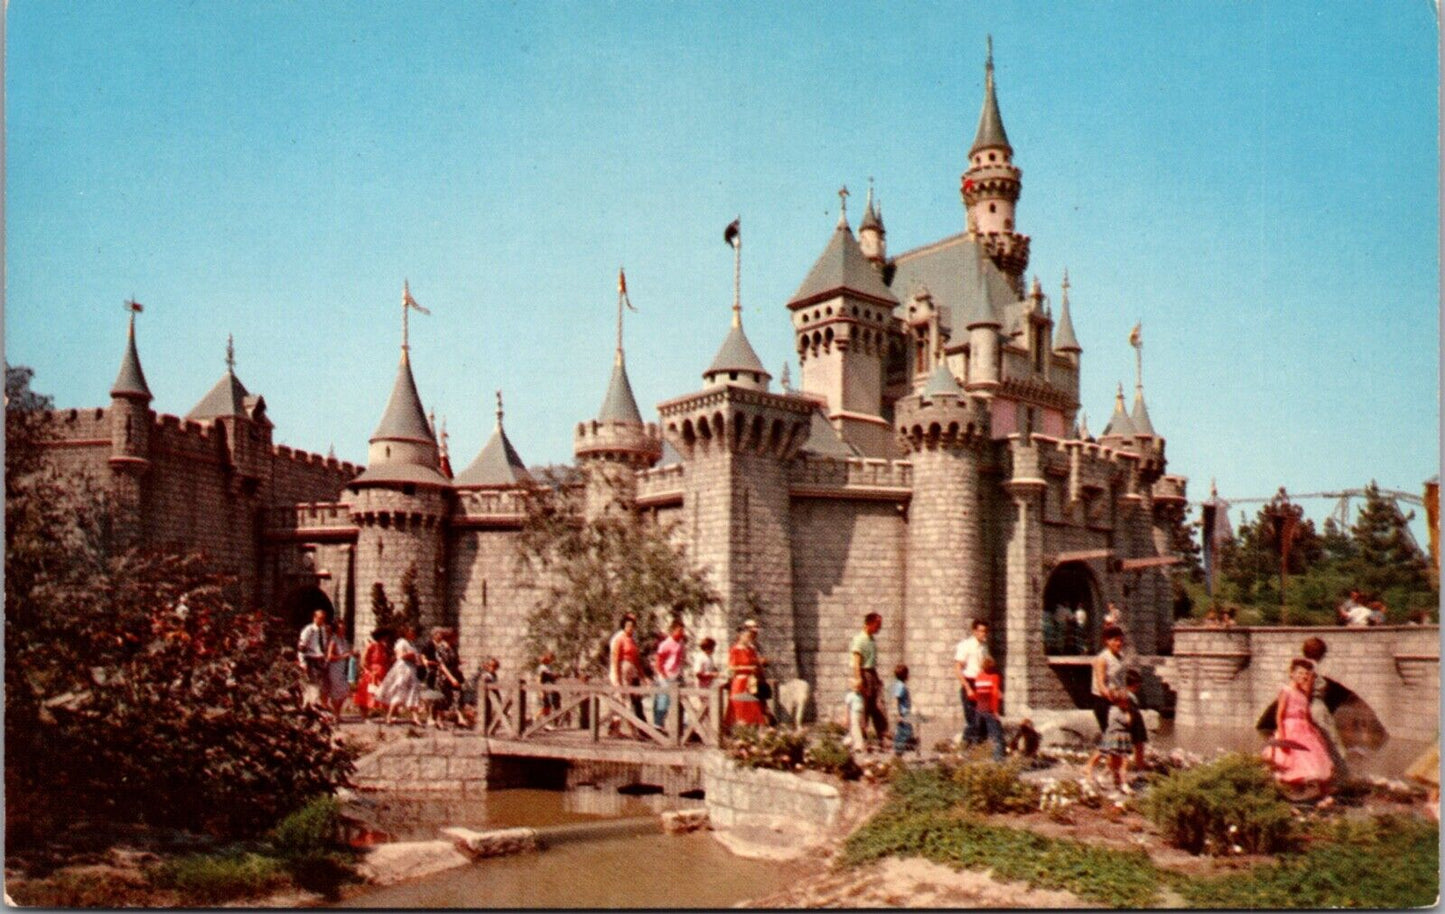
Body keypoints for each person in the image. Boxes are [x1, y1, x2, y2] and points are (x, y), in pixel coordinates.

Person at [1262, 658, 1334, 805]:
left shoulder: (1302, 693)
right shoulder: (1286, 691)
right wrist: (1282, 735)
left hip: (1304, 729)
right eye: (1300, 673)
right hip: (1291, 729)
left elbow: (1306, 714)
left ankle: (1303, 792)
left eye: (1306, 674)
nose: (1303, 677)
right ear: (1292, 674)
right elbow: (1279, 715)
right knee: (1294, 761)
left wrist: (1314, 730)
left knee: (1311, 759)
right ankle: (1291, 791)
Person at [1300, 636, 1348, 782]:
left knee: (1321, 740)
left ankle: (1324, 774)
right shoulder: (1312, 668)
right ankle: (1339, 777)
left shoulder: (1305, 666)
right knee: (1330, 740)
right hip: (1316, 707)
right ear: (1321, 653)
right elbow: (1307, 691)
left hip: (1314, 706)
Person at [1083, 625, 1127, 783]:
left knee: (1117, 739)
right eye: (1115, 640)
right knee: (1111, 738)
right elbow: (1101, 685)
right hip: (1103, 703)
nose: (1119, 643)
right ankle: (1089, 767)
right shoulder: (1102, 659)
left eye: (1121, 640)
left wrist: (1124, 697)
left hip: (1117, 702)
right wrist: (1113, 697)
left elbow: (1120, 681)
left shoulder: (1120, 657)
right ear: (1107, 641)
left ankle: (1113, 772)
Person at [849, 612, 888, 748]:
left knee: (878, 706)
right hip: (864, 674)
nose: (879, 628)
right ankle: (861, 740)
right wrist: (859, 680)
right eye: (878, 625)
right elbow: (856, 661)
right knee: (864, 707)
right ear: (870, 624)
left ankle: (882, 736)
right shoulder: (860, 639)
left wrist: (877, 680)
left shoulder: (871, 639)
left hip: (872, 674)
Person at [377, 624, 425, 726]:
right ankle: (389, 716)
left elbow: (416, 657)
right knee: (400, 692)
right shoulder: (401, 642)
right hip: (403, 668)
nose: (414, 634)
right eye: (411, 632)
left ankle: (415, 718)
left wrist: (418, 659)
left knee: (413, 692)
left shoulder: (412, 644)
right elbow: (400, 656)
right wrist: (411, 655)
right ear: (406, 632)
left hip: (412, 669)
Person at [726, 620, 767, 729]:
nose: (749, 639)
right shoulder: (735, 649)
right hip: (740, 682)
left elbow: (755, 662)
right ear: (741, 636)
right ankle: (739, 731)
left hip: (750, 682)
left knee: (753, 707)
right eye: (747, 636)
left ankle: (752, 731)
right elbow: (731, 667)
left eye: (749, 637)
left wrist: (759, 664)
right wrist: (747, 668)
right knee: (740, 706)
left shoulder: (749, 649)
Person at [954, 618, 990, 746]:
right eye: (981, 631)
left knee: (983, 719)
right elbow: (958, 668)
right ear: (974, 631)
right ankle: (964, 746)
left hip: (981, 683)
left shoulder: (984, 647)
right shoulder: (966, 645)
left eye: (985, 632)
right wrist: (967, 687)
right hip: (969, 682)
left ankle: (976, 747)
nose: (983, 634)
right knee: (972, 720)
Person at [652, 619, 687, 728]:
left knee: (682, 701)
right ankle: (658, 724)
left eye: (682, 630)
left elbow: (681, 659)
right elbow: (659, 661)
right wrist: (663, 676)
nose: (681, 633)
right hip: (667, 675)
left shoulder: (681, 643)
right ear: (673, 630)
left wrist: (681, 673)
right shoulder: (665, 644)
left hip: (677, 675)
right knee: (663, 700)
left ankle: (682, 726)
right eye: (679, 630)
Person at [1100, 690, 1135, 793]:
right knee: (1124, 762)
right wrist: (1128, 712)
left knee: (1115, 763)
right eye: (1126, 702)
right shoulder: (1117, 712)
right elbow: (1128, 722)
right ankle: (1124, 784)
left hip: (1119, 738)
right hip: (1118, 738)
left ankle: (1104, 776)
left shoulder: (1113, 710)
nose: (1128, 704)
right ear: (1120, 702)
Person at [354, 628, 392, 721]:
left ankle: (387, 716)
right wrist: (368, 671)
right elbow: (363, 660)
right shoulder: (371, 646)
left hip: (382, 672)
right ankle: (364, 716)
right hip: (371, 673)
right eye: (385, 636)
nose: (387, 638)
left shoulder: (384, 647)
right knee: (367, 694)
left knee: (383, 694)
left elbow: (386, 660)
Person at [973, 657, 1005, 761]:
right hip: (989, 709)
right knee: (996, 735)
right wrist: (995, 711)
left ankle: (977, 756)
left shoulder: (978, 677)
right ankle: (998, 758)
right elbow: (994, 694)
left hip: (979, 709)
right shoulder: (994, 677)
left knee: (979, 734)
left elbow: (976, 694)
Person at [296, 609, 330, 706]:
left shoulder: (323, 630)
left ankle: (321, 705)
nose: (321, 620)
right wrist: (302, 663)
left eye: (323, 619)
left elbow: (323, 645)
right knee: (313, 684)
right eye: (319, 618)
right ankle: (310, 704)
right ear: (314, 618)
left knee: (323, 685)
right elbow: (301, 647)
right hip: (311, 660)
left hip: (321, 660)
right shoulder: (308, 630)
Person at [323, 617, 355, 718]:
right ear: (337, 628)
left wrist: (351, 654)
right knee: (337, 692)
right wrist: (343, 656)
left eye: (344, 626)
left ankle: (337, 712)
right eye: (341, 626)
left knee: (345, 692)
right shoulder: (334, 640)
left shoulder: (344, 640)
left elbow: (347, 653)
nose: (344, 628)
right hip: (335, 668)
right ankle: (336, 714)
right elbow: (330, 656)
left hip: (343, 668)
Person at [1123, 668, 1148, 772]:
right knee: (1135, 747)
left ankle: (1139, 767)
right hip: (1134, 722)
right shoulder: (1126, 696)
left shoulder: (1130, 695)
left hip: (1136, 721)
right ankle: (1136, 769)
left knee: (1139, 746)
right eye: (1137, 684)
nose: (1138, 686)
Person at [890, 664, 916, 755]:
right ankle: (899, 750)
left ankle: (900, 750)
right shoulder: (900, 686)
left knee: (903, 731)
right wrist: (898, 714)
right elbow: (896, 699)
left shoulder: (898, 684)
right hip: (903, 713)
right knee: (905, 732)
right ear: (905, 675)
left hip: (905, 713)